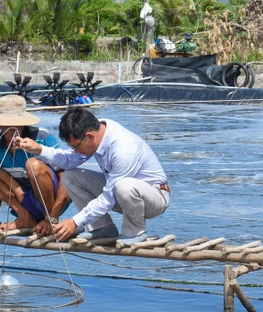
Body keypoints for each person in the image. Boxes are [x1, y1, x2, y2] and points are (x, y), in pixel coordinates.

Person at [16, 106, 169, 247]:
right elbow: (70, 160)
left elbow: (108, 198)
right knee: (70, 176)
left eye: (75, 146)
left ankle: (135, 232)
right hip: (122, 195)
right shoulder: (98, 130)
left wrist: (75, 222)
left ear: (89, 137)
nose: (76, 151)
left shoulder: (124, 150)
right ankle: (102, 228)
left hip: (154, 198)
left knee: (123, 185)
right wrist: (39, 149)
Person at [0, 95, 69, 242]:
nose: (11, 128)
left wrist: (52, 217)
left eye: (16, 123)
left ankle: (47, 219)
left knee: (33, 165)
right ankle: (24, 216)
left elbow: (65, 177)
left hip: (52, 203)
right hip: (23, 200)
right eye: (6, 123)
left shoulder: (42, 137)